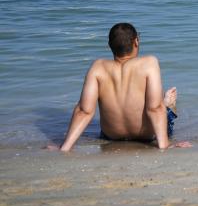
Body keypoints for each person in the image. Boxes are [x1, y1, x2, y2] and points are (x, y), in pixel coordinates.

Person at [57, 23, 190, 151]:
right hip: (147, 137)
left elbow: (84, 111)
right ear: (136, 41)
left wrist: (64, 148)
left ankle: (165, 103)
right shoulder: (149, 63)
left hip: (111, 137)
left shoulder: (98, 67)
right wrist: (164, 146)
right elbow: (154, 108)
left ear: (109, 45)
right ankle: (168, 104)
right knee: (163, 108)